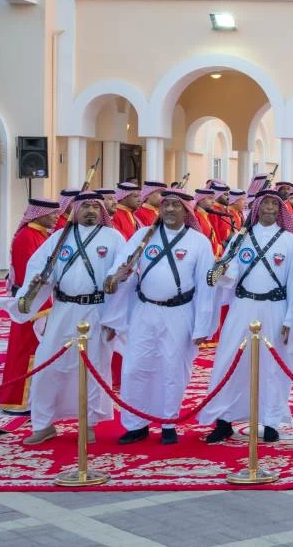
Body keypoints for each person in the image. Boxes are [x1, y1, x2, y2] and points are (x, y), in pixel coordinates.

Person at [101, 188, 217, 445]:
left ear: (186, 211)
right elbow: (124, 263)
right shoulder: (144, 236)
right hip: (145, 311)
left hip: (180, 313)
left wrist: (202, 327)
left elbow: (205, 287)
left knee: (173, 369)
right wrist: (116, 276)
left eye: (176, 205)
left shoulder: (199, 243)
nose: (170, 210)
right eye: (166, 205)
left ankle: (168, 422)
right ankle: (136, 424)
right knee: (135, 367)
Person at [21, 192, 128, 445]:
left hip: (97, 311)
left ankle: (88, 423)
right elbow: (38, 268)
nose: (90, 210)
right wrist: (39, 281)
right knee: (48, 366)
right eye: (85, 206)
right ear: (75, 210)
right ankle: (43, 424)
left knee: (93, 368)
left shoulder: (113, 238)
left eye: (94, 206)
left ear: (101, 210)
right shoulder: (59, 238)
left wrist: (115, 319)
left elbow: (124, 281)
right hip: (63, 311)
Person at [200, 188, 293, 444]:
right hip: (243, 306)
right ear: (256, 208)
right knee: (229, 361)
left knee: (274, 366)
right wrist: (221, 270)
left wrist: (290, 319)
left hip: (275, 308)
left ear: (280, 210)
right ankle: (223, 420)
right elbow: (229, 275)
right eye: (264, 203)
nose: (268, 207)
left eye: (273, 204)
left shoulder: (290, 241)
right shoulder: (240, 238)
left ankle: (271, 421)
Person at [0, 198, 64, 413]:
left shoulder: (40, 234)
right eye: (52, 213)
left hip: (39, 303)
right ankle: (19, 401)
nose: (56, 217)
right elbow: (32, 277)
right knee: (26, 352)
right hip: (31, 305)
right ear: (39, 214)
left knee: (36, 350)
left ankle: (34, 398)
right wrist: (43, 306)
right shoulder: (27, 237)